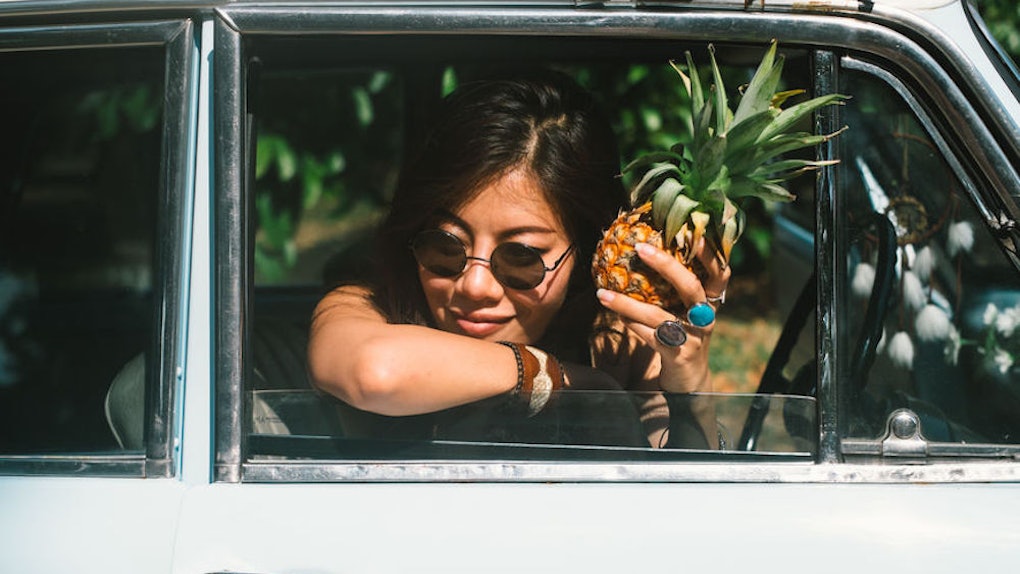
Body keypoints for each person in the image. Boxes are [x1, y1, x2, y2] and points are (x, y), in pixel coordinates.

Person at [307, 68, 730, 448]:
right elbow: (375, 373)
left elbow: (680, 507)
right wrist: (562, 376)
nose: (474, 286)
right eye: (444, 247)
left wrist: (691, 391)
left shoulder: (616, 344)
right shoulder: (364, 307)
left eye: (520, 258)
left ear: (587, 253)